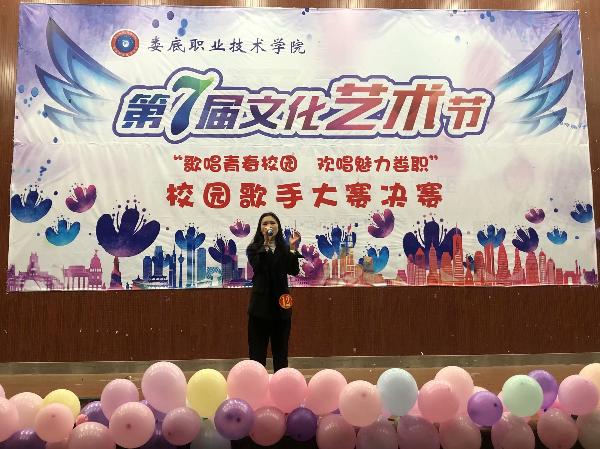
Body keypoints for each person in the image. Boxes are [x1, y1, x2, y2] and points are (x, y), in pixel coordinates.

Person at [246, 212, 302, 371]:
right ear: (260, 228)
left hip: (282, 306)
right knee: (257, 353)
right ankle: (257, 382)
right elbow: (259, 267)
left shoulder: (285, 248)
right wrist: (266, 244)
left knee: (281, 352)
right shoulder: (253, 248)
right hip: (259, 308)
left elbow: (293, 270)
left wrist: (292, 249)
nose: (269, 226)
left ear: (278, 227)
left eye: (272, 223)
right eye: (264, 224)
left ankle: (281, 383)